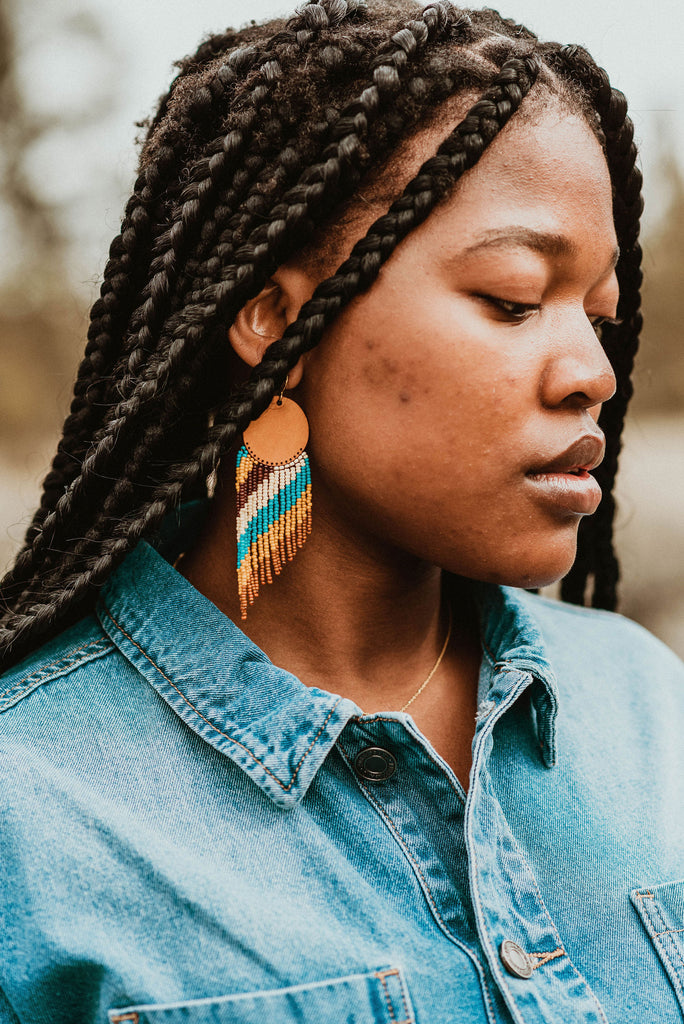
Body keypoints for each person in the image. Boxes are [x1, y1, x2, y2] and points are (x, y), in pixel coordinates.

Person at [1, 1, 683, 1021]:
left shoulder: (646, 706)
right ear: (276, 319)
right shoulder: (33, 809)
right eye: (511, 298)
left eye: (601, 320)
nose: (592, 373)